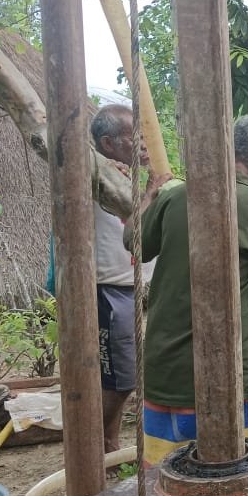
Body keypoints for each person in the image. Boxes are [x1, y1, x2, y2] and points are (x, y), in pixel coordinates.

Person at [137, 115, 248, 465]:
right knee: (246, 478)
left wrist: (148, 197)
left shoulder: (177, 196)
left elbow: (135, 243)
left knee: (164, 482)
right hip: (230, 383)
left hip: (162, 379)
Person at [89, 104, 158, 454]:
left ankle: (108, 444)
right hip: (110, 289)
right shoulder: (94, 172)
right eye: (134, 137)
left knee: (122, 376)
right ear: (107, 143)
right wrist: (151, 192)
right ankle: (102, 444)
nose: (143, 144)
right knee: (119, 378)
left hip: (132, 287)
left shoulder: (124, 174)